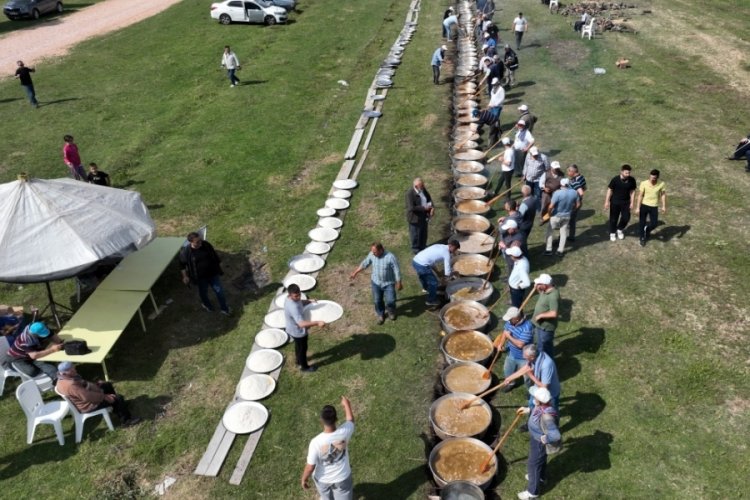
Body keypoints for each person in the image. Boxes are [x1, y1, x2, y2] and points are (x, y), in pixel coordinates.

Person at [301, 396, 355, 499]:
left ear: (321, 420)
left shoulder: (315, 442)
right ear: (336, 419)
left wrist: (304, 479)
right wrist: (346, 404)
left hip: (323, 480)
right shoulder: (345, 432)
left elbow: (310, 467)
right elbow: (350, 420)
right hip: (342, 478)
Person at [56, 362, 140, 426]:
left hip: (87, 396)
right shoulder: (70, 385)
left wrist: (95, 385)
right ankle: (126, 421)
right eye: (72, 370)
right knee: (118, 398)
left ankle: (117, 408)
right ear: (64, 373)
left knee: (107, 385)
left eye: (73, 367)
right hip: (88, 405)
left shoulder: (63, 378)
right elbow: (87, 397)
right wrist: (104, 397)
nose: (75, 370)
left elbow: (83, 385)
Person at [516, 386, 561, 500]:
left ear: (540, 400)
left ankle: (532, 493)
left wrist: (544, 439)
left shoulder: (547, 417)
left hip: (539, 442)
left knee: (533, 465)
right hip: (535, 438)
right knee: (540, 461)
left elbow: (555, 435)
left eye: (535, 397)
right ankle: (540, 477)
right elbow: (536, 413)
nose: (533, 398)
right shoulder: (541, 406)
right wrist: (528, 410)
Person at [350, 242, 402, 324]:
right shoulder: (372, 255)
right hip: (376, 283)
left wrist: (399, 282)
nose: (373, 253)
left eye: (375, 252)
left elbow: (396, 270)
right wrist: (355, 272)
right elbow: (365, 263)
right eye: (372, 251)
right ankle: (381, 314)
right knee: (377, 300)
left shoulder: (390, 257)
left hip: (388, 283)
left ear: (381, 250)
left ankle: (391, 312)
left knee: (391, 300)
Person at [180, 232, 231, 315]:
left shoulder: (206, 244)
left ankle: (225, 309)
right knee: (203, 292)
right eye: (197, 242)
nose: (200, 243)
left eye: (200, 240)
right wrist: (185, 276)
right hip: (200, 278)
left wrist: (219, 265)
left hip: (213, 274)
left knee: (219, 291)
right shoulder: (186, 252)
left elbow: (214, 254)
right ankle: (207, 305)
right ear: (191, 242)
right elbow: (182, 265)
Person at [284, 284, 325, 373]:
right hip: (297, 331)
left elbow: (300, 302)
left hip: (292, 328)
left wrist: (309, 301)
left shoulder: (291, 298)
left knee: (298, 346)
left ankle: (298, 361)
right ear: (290, 295)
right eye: (296, 296)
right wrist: (317, 322)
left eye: (299, 294)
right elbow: (301, 324)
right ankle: (304, 367)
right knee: (303, 349)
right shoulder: (293, 307)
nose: (298, 297)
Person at [494, 307, 533, 392]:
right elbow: (505, 332)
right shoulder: (510, 322)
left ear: (516, 319)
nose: (508, 321)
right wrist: (501, 343)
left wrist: (509, 337)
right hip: (512, 353)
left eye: (510, 319)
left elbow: (520, 344)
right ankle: (511, 383)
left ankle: (531, 391)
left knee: (527, 377)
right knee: (508, 370)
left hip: (524, 357)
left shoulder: (527, 327)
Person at [412, 240, 460, 308]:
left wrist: (437, 272)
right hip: (422, 265)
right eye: (455, 249)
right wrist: (455, 273)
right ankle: (430, 300)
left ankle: (426, 288)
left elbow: (431, 261)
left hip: (415, 261)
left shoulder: (439, 246)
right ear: (450, 246)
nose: (454, 251)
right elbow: (447, 273)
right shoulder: (446, 253)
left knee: (423, 276)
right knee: (434, 282)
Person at [544, 178, 580, 256]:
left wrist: (549, 214)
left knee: (549, 231)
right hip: (567, 216)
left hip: (556, 216)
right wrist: (572, 210)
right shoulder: (574, 192)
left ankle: (548, 250)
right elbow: (578, 204)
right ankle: (560, 251)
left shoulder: (557, 193)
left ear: (561, 185)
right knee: (563, 233)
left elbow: (551, 207)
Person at [604, 164, 637, 241]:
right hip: (615, 201)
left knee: (626, 217)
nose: (628, 174)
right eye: (626, 173)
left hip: (626, 202)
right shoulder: (615, 179)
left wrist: (632, 202)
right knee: (613, 219)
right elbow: (609, 190)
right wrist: (606, 201)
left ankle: (619, 229)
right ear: (621, 172)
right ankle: (612, 232)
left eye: (629, 173)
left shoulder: (632, 180)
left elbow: (632, 191)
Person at [635, 169, 667, 247]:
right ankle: (642, 238)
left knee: (654, 223)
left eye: (654, 178)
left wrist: (663, 206)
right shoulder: (644, 183)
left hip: (654, 206)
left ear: (657, 177)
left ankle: (647, 230)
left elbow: (663, 195)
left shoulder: (661, 184)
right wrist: (638, 207)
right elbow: (640, 195)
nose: (652, 179)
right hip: (644, 205)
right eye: (651, 177)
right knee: (642, 222)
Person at [530, 274, 559, 357]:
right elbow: (543, 296)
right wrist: (538, 288)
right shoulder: (545, 290)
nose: (537, 285)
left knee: (545, 347)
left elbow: (554, 313)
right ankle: (540, 357)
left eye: (539, 284)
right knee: (539, 344)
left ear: (545, 285)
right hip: (539, 325)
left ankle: (547, 363)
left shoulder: (553, 296)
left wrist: (540, 316)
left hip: (545, 327)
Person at [405, 178, 434, 254]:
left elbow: (429, 198)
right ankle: (416, 250)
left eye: (423, 185)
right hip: (415, 218)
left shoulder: (423, 189)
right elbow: (411, 207)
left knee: (424, 232)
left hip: (424, 216)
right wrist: (424, 208)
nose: (423, 186)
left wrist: (432, 207)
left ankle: (423, 246)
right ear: (416, 186)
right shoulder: (409, 194)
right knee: (415, 234)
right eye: (421, 185)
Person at [566, 164, 587, 242]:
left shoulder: (575, 181)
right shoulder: (582, 177)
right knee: (572, 221)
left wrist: (576, 198)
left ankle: (561, 237)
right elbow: (585, 188)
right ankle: (571, 237)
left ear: (572, 172)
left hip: (573, 204)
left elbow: (581, 192)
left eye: (568, 171)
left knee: (566, 221)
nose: (567, 173)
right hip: (578, 202)